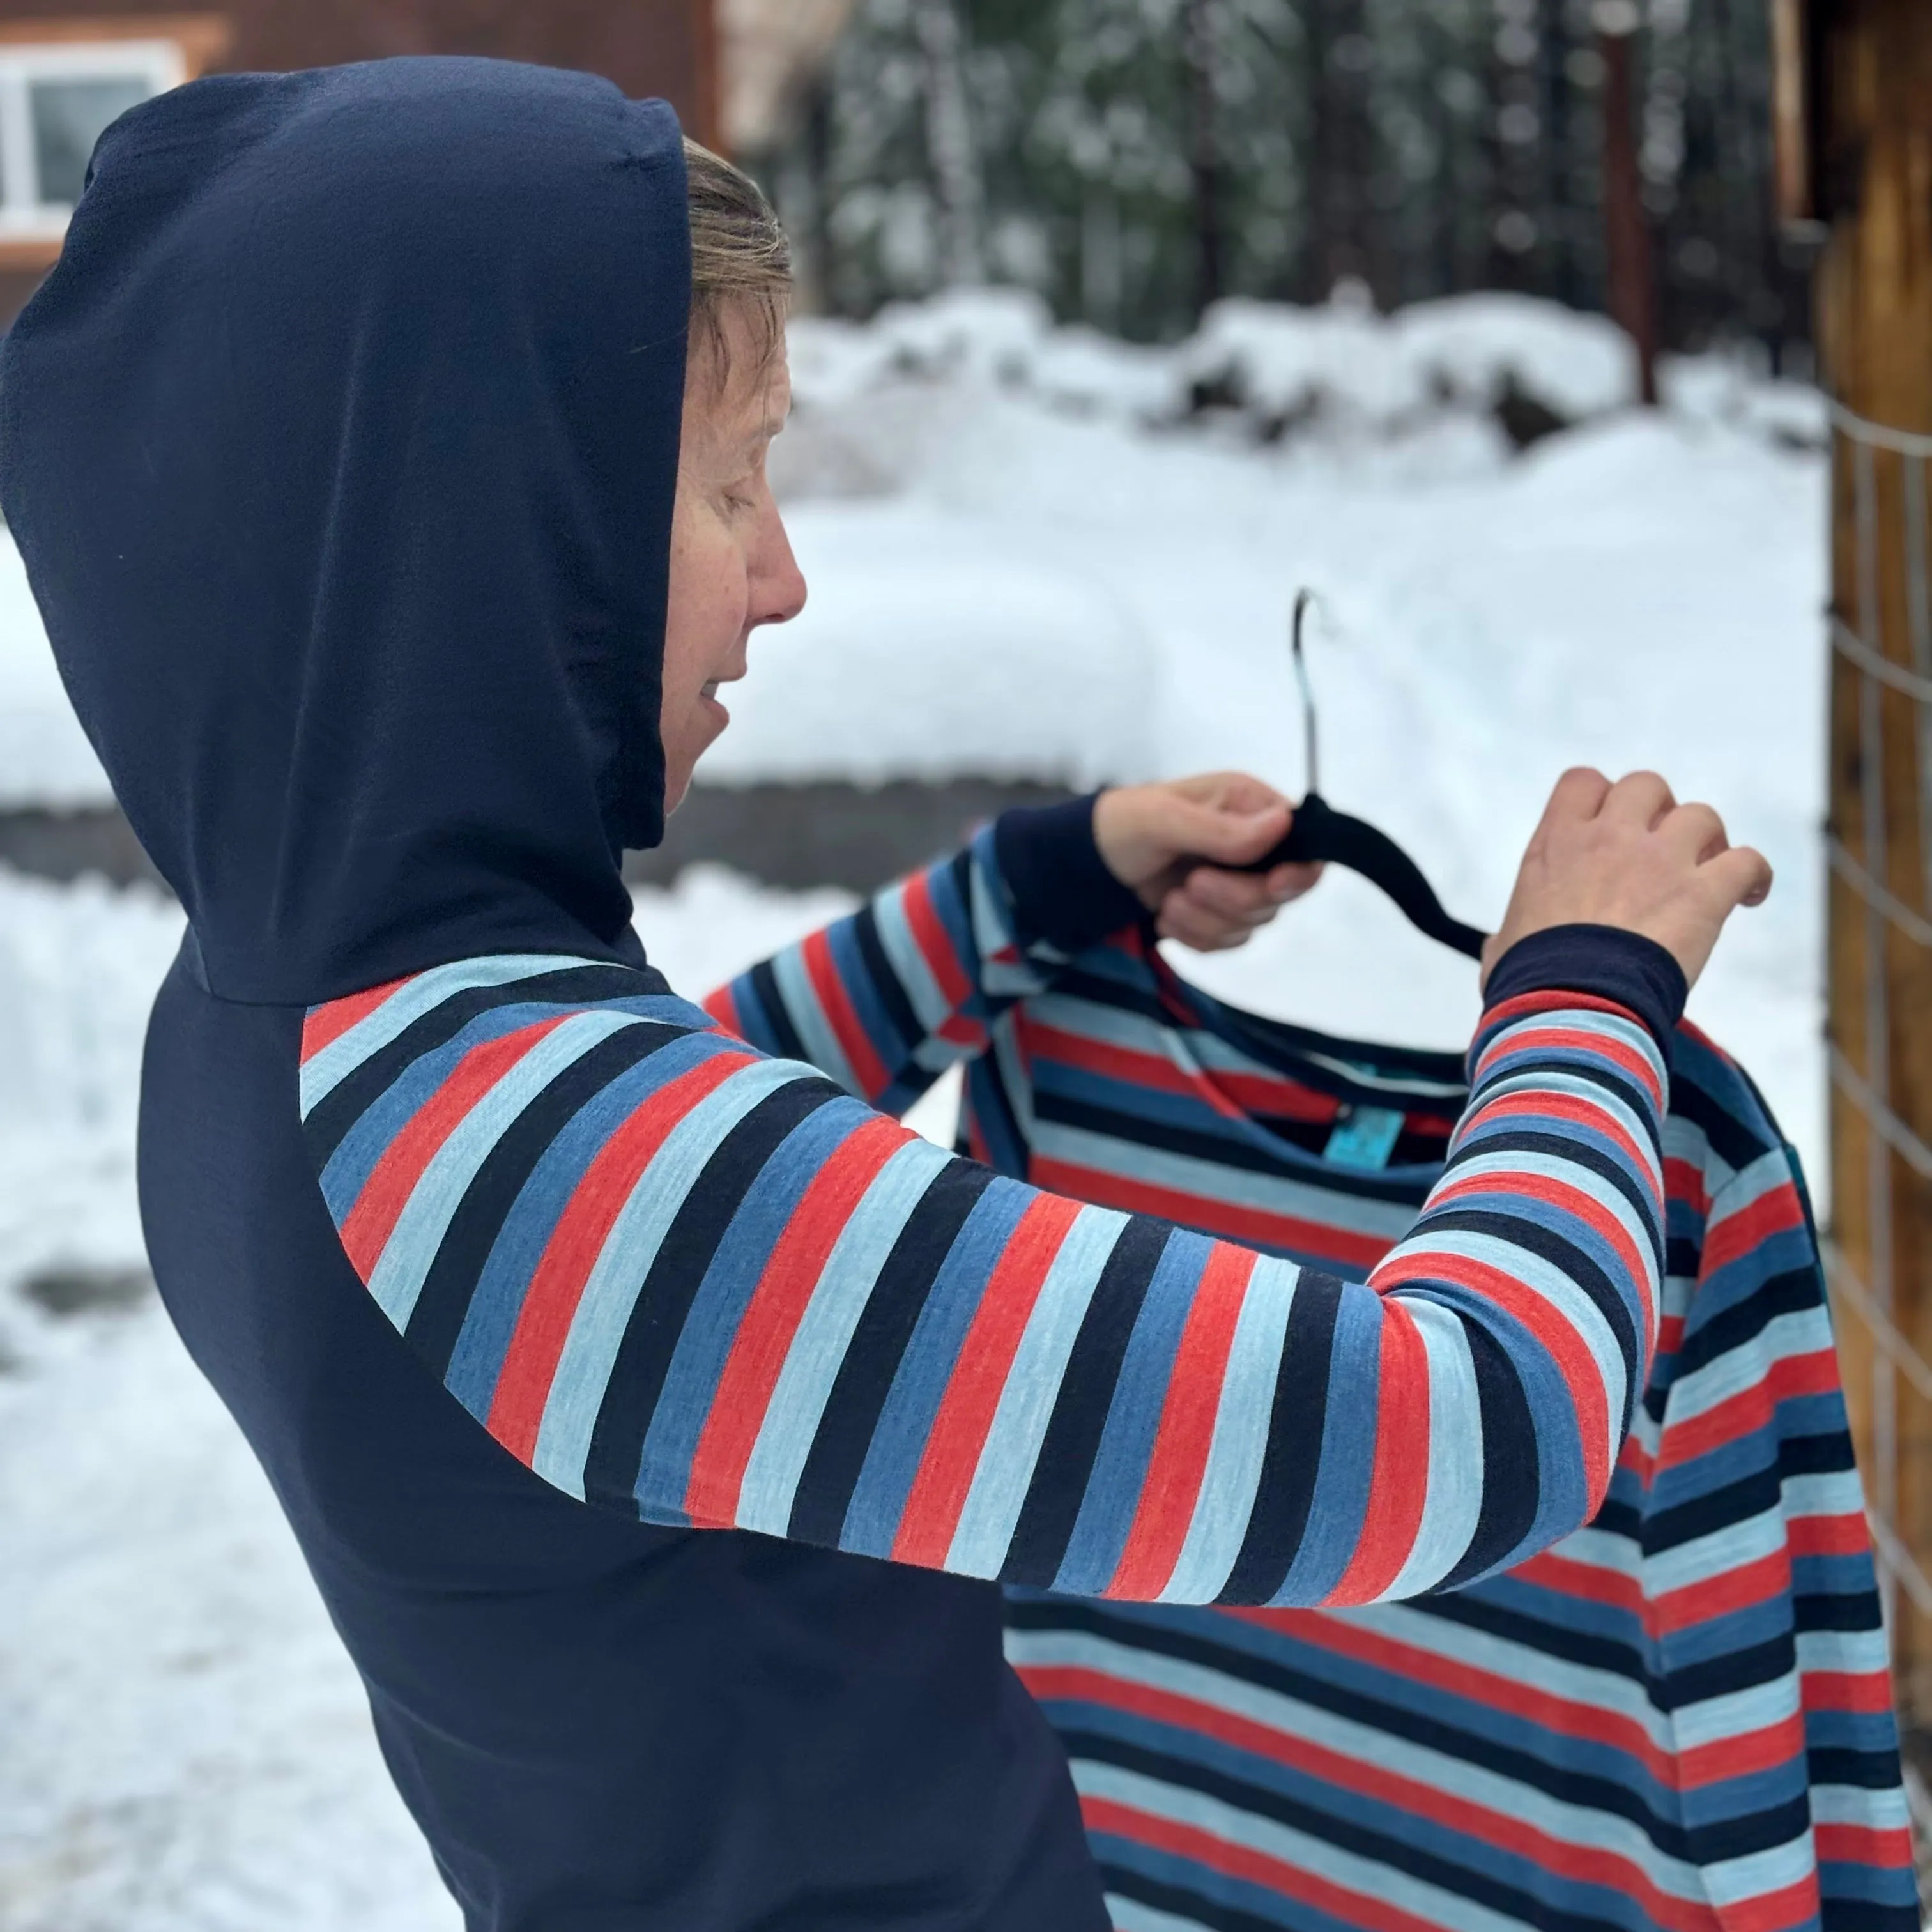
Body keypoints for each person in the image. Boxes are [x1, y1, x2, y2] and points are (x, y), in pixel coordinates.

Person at [1, 58, 1772, 1932]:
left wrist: (1030, 886)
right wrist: (1587, 990)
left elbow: (690, 1153)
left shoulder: (277, 1023)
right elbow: (1465, 1427)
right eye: (723, 485)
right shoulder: (550, 1166)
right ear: (487, 532)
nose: (784, 578)